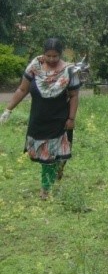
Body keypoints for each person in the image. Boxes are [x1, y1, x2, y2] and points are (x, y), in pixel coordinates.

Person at [0, 38, 81, 200]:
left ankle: (45, 190)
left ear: (61, 54)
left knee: (51, 156)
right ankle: (55, 171)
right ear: (43, 54)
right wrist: (8, 109)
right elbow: (22, 89)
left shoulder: (69, 71)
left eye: (55, 56)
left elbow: (74, 96)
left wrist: (71, 118)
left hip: (59, 118)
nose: (51, 59)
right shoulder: (34, 67)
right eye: (48, 56)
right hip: (38, 118)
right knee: (46, 156)